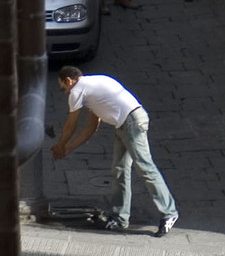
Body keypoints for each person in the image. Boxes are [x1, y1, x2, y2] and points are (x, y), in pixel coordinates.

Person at [50, 66, 178, 235]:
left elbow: (70, 126)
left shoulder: (77, 91)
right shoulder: (94, 84)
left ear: (69, 81)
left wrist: (60, 146)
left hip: (131, 123)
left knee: (145, 167)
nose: (65, 93)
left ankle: (169, 213)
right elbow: (91, 127)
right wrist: (67, 149)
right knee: (119, 170)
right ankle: (119, 219)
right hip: (124, 123)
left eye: (63, 89)